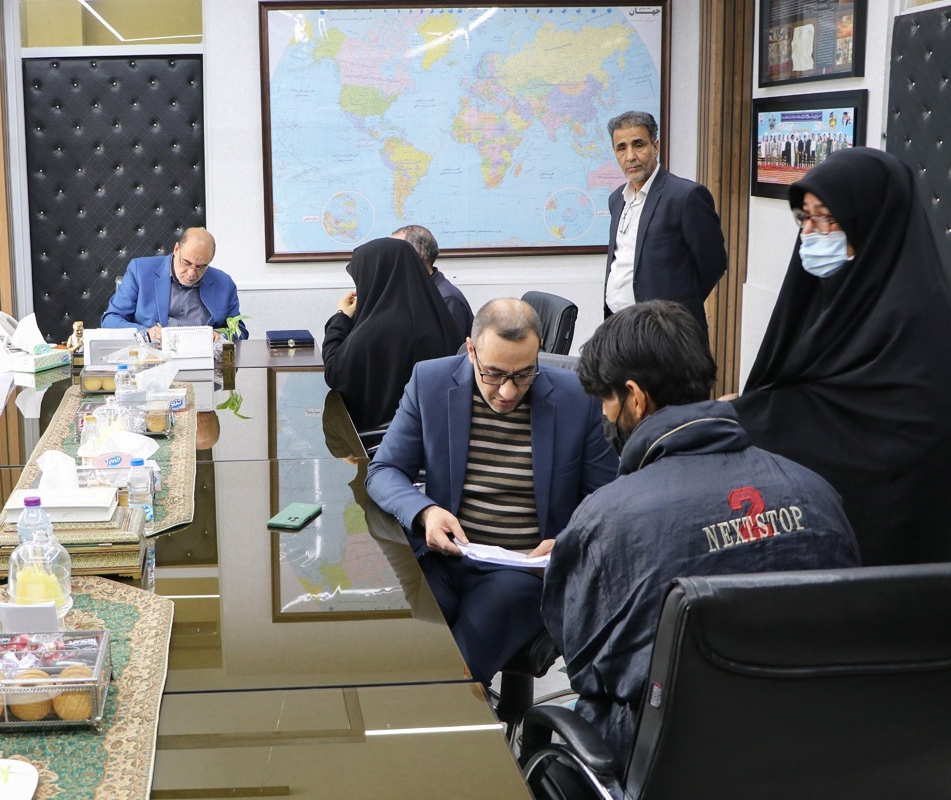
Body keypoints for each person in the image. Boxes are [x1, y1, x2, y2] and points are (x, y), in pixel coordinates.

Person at [541, 300, 860, 776]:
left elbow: (585, 661)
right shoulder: (817, 494)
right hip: (811, 757)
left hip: (666, 765)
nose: (604, 415)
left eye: (605, 401)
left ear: (634, 398)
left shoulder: (607, 518)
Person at [366, 298, 617, 683]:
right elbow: (384, 470)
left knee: (461, 660)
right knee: (402, 636)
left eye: (524, 374)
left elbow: (609, 501)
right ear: (471, 351)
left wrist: (572, 540)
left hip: (522, 571)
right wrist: (425, 512)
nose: (508, 391)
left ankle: (449, 706)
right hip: (445, 557)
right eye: (494, 374)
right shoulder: (430, 381)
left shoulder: (577, 399)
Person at [731, 147, 951, 566]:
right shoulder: (824, 290)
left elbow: (871, 436)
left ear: (872, 224)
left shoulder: (916, 318)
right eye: (804, 217)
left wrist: (745, 418)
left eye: (827, 218)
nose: (811, 232)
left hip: (891, 552)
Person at [604, 111, 728, 336]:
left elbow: (713, 264)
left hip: (667, 333)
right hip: (618, 327)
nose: (630, 156)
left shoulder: (686, 196)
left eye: (638, 145)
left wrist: (677, 308)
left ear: (655, 146)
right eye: (621, 148)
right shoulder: (617, 199)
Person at [323, 237, 463, 431]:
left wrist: (341, 317)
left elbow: (334, 374)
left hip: (381, 442)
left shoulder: (372, 331)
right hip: (437, 438)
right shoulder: (440, 315)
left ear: (374, 278)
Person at [101, 227, 247, 339]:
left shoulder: (224, 283)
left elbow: (240, 332)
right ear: (176, 249)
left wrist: (220, 337)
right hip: (153, 357)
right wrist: (146, 333)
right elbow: (110, 320)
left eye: (201, 267)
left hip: (202, 359)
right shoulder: (140, 270)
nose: (191, 273)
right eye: (186, 263)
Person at [391, 224, 474, 339]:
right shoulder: (413, 290)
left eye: (394, 252)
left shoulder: (447, 298)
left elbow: (450, 347)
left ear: (417, 254)